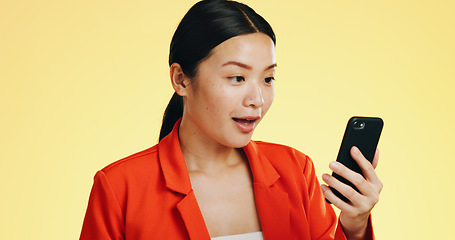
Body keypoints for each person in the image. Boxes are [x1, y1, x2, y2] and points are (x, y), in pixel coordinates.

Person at [80, 0, 382, 239]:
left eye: (268, 78)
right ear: (181, 79)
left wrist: (355, 225)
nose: (257, 100)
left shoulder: (295, 171)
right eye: (237, 77)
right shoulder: (120, 188)